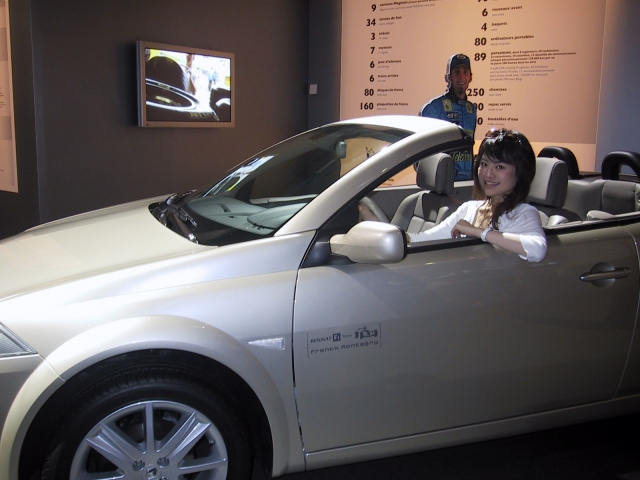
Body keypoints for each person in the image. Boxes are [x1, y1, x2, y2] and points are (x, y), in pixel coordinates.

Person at [407, 129, 548, 263]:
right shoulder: (469, 208)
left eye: (499, 167)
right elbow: (426, 239)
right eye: (484, 164)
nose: (488, 174)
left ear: (520, 172)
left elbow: (537, 249)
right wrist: (400, 238)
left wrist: (478, 232)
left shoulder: (523, 213)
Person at [420, 53, 476, 181]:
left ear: (470, 77)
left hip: (467, 183)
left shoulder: (471, 110)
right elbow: (422, 156)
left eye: (465, 72)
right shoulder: (433, 108)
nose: (461, 76)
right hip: (443, 184)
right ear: (448, 77)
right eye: (457, 72)